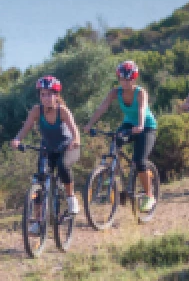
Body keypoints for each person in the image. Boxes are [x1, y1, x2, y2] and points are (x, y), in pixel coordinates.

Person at [84, 60, 159, 213]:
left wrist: (140, 126)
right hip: (129, 124)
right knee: (115, 141)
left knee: (139, 161)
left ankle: (149, 195)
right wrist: (89, 124)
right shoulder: (115, 92)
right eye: (122, 79)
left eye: (128, 79)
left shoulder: (140, 92)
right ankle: (113, 174)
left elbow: (142, 109)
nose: (125, 82)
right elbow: (102, 108)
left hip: (147, 127)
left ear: (134, 79)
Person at [11, 75, 83, 224]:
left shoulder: (62, 111)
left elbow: (74, 129)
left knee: (62, 166)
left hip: (68, 147)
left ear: (56, 95)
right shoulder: (37, 110)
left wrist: (75, 140)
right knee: (39, 180)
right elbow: (26, 128)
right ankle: (38, 222)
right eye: (43, 94)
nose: (46, 98)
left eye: (50, 94)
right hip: (48, 149)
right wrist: (18, 139)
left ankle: (71, 198)